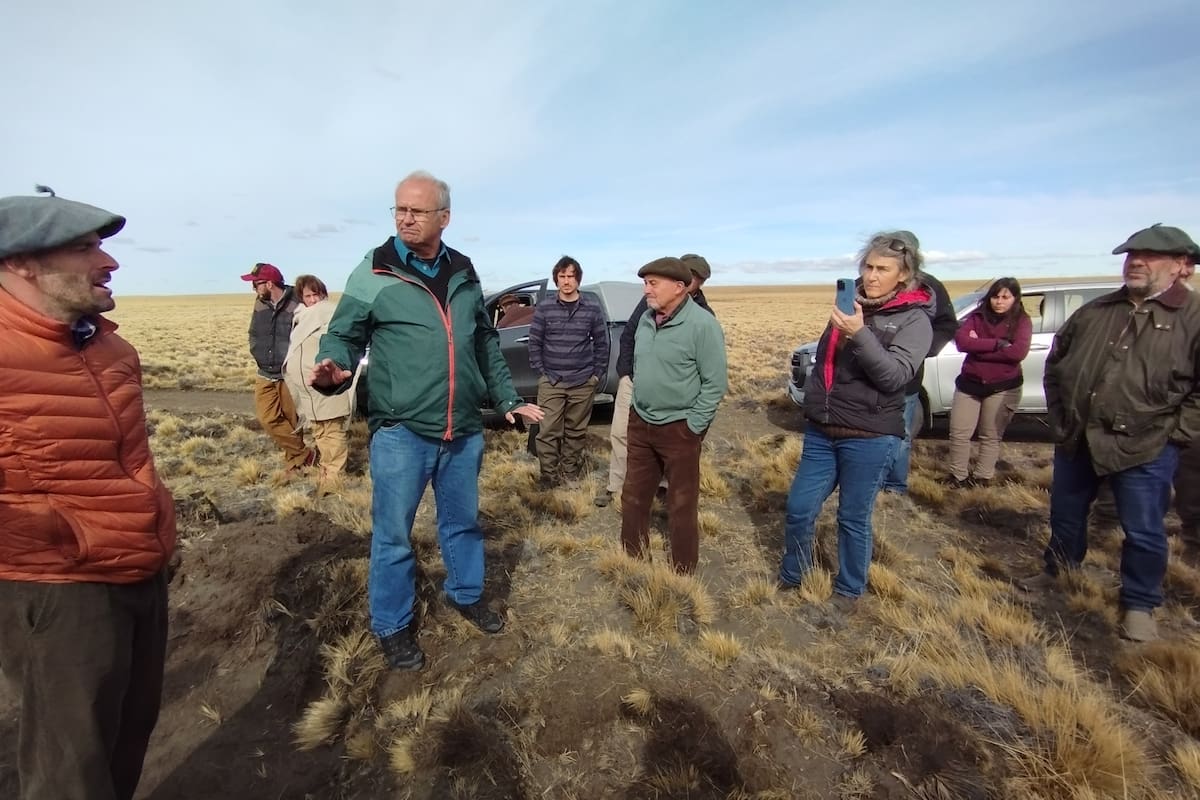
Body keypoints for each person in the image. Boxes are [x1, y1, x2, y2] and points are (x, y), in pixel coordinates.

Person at [309, 170, 543, 671]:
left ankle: (464, 593)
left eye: (416, 210)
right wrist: (334, 370)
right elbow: (344, 335)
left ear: (444, 217)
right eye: (399, 209)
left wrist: (506, 398)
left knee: (463, 523)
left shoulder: (463, 270)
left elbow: (482, 342)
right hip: (401, 431)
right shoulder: (375, 270)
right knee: (393, 535)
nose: (405, 218)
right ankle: (391, 624)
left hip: (463, 428)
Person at [0, 188, 177, 800]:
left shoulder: (109, 347)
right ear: (21, 263)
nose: (109, 262)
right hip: (57, 590)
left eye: (102, 245)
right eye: (83, 248)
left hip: (141, 572)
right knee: (68, 773)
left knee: (126, 741)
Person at [1023, 224, 1200, 642]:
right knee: (1065, 514)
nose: (1136, 261)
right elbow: (1056, 364)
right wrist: (1061, 415)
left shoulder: (1192, 319)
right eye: (1131, 254)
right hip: (1078, 438)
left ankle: (1140, 604)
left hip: (1147, 445)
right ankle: (1059, 570)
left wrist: (1176, 434)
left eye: (1150, 255)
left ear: (1181, 265)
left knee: (1143, 529)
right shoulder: (1097, 311)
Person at [779, 232, 934, 605]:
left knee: (852, 517)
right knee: (799, 508)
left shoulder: (915, 320)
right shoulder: (849, 309)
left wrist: (860, 333)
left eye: (883, 269)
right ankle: (792, 574)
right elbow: (827, 365)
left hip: (870, 435)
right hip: (822, 430)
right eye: (868, 266)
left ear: (904, 275)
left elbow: (896, 376)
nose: (872, 276)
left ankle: (849, 590)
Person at [620, 257, 727, 574]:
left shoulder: (703, 325)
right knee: (633, 498)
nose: (646, 289)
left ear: (679, 287)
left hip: (679, 429)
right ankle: (635, 565)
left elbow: (715, 384)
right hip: (641, 422)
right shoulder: (646, 319)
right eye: (645, 282)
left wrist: (692, 426)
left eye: (653, 283)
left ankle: (683, 572)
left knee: (681, 506)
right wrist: (636, 405)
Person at [596, 252, 715, 507]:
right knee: (620, 433)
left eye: (697, 278)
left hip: (673, 395)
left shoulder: (704, 315)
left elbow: (711, 375)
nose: (693, 280)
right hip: (634, 382)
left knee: (667, 443)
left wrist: (696, 424)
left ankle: (661, 487)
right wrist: (625, 371)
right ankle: (616, 485)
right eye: (689, 273)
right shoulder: (652, 300)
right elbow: (629, 335)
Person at [880, 233, 957, 494]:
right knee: (867, 436)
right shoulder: (868, 282)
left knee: (899, 434)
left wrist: (917, 349)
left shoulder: (929, 287)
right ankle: (869, 483)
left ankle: (894, 485)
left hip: (906, 380)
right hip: (866, 378)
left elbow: (947, 326)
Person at [527, 256, 609, 487]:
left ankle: (570, 473)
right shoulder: (545, 307)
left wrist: (596, 375)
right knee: (548, 431)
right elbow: (535, 342)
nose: (566, 281)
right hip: (552, 381)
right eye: (562, 276)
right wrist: (543, 372)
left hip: (583, 381)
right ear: (556, 280)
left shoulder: (591, 308)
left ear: (578, 279)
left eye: (570, 276)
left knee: (575, 431)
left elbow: (602, 343)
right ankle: (549, 477)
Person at [945, 277, 1033, 487]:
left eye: (1005, 297)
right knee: (958, 432)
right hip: (970, 383)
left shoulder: (1022, 321)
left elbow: (1017, 353)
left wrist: (978, 347)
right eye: (995, 296)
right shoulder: (976, 317)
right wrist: (997, 345)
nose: (999, 301)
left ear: (1015, 299)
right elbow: (962, 342)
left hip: (1003, 386)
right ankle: (957, 477)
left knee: (990, 435)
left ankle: (982, 477)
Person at [284, 274, 355, 491]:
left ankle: (333, 481)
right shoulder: (301, 318)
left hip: (327, 386)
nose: (314, 300)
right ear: (301, 298)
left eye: (317, 294)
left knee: (332, 431)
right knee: (320, 431)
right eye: (309, 295)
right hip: (309, 390)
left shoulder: (329, 313)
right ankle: (327, 472)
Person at [241, 261, 314, 471]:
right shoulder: (260, 302)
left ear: (270, 284)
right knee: (267, 418)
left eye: (257, 283)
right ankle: (304, 454)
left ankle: (295, 462)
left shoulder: (298, 302)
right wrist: (256, 351)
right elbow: (254, 332)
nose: (254, 288)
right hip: (264, 371)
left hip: (287, 372)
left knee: (291, 420)